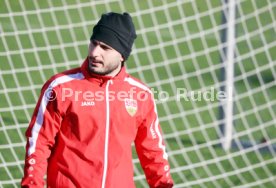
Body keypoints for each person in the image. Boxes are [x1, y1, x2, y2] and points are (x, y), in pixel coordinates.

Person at [21, 12, 174, 188]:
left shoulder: (140, 94)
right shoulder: (60, 87)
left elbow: (152, 150)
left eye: (105, 47)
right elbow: (38, 142)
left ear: (122, 55)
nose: (95, 53)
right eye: (93, 43)